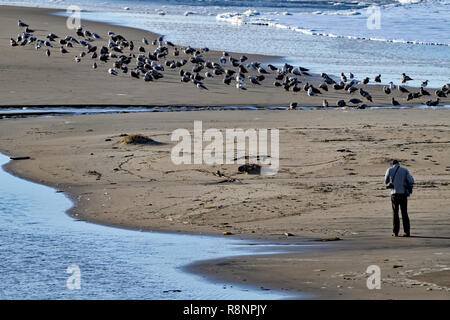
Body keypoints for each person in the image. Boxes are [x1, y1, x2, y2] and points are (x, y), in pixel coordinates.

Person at [384, 160, 414, 237]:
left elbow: (386, 181)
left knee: (395, 213)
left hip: (394, 194)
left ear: (392, 164)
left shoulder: (389, 170)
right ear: (398, 164)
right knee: (404, 213)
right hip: (403, 194)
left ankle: (395, 232)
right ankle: (407, 232)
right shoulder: (405, 170)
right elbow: (411, 181)